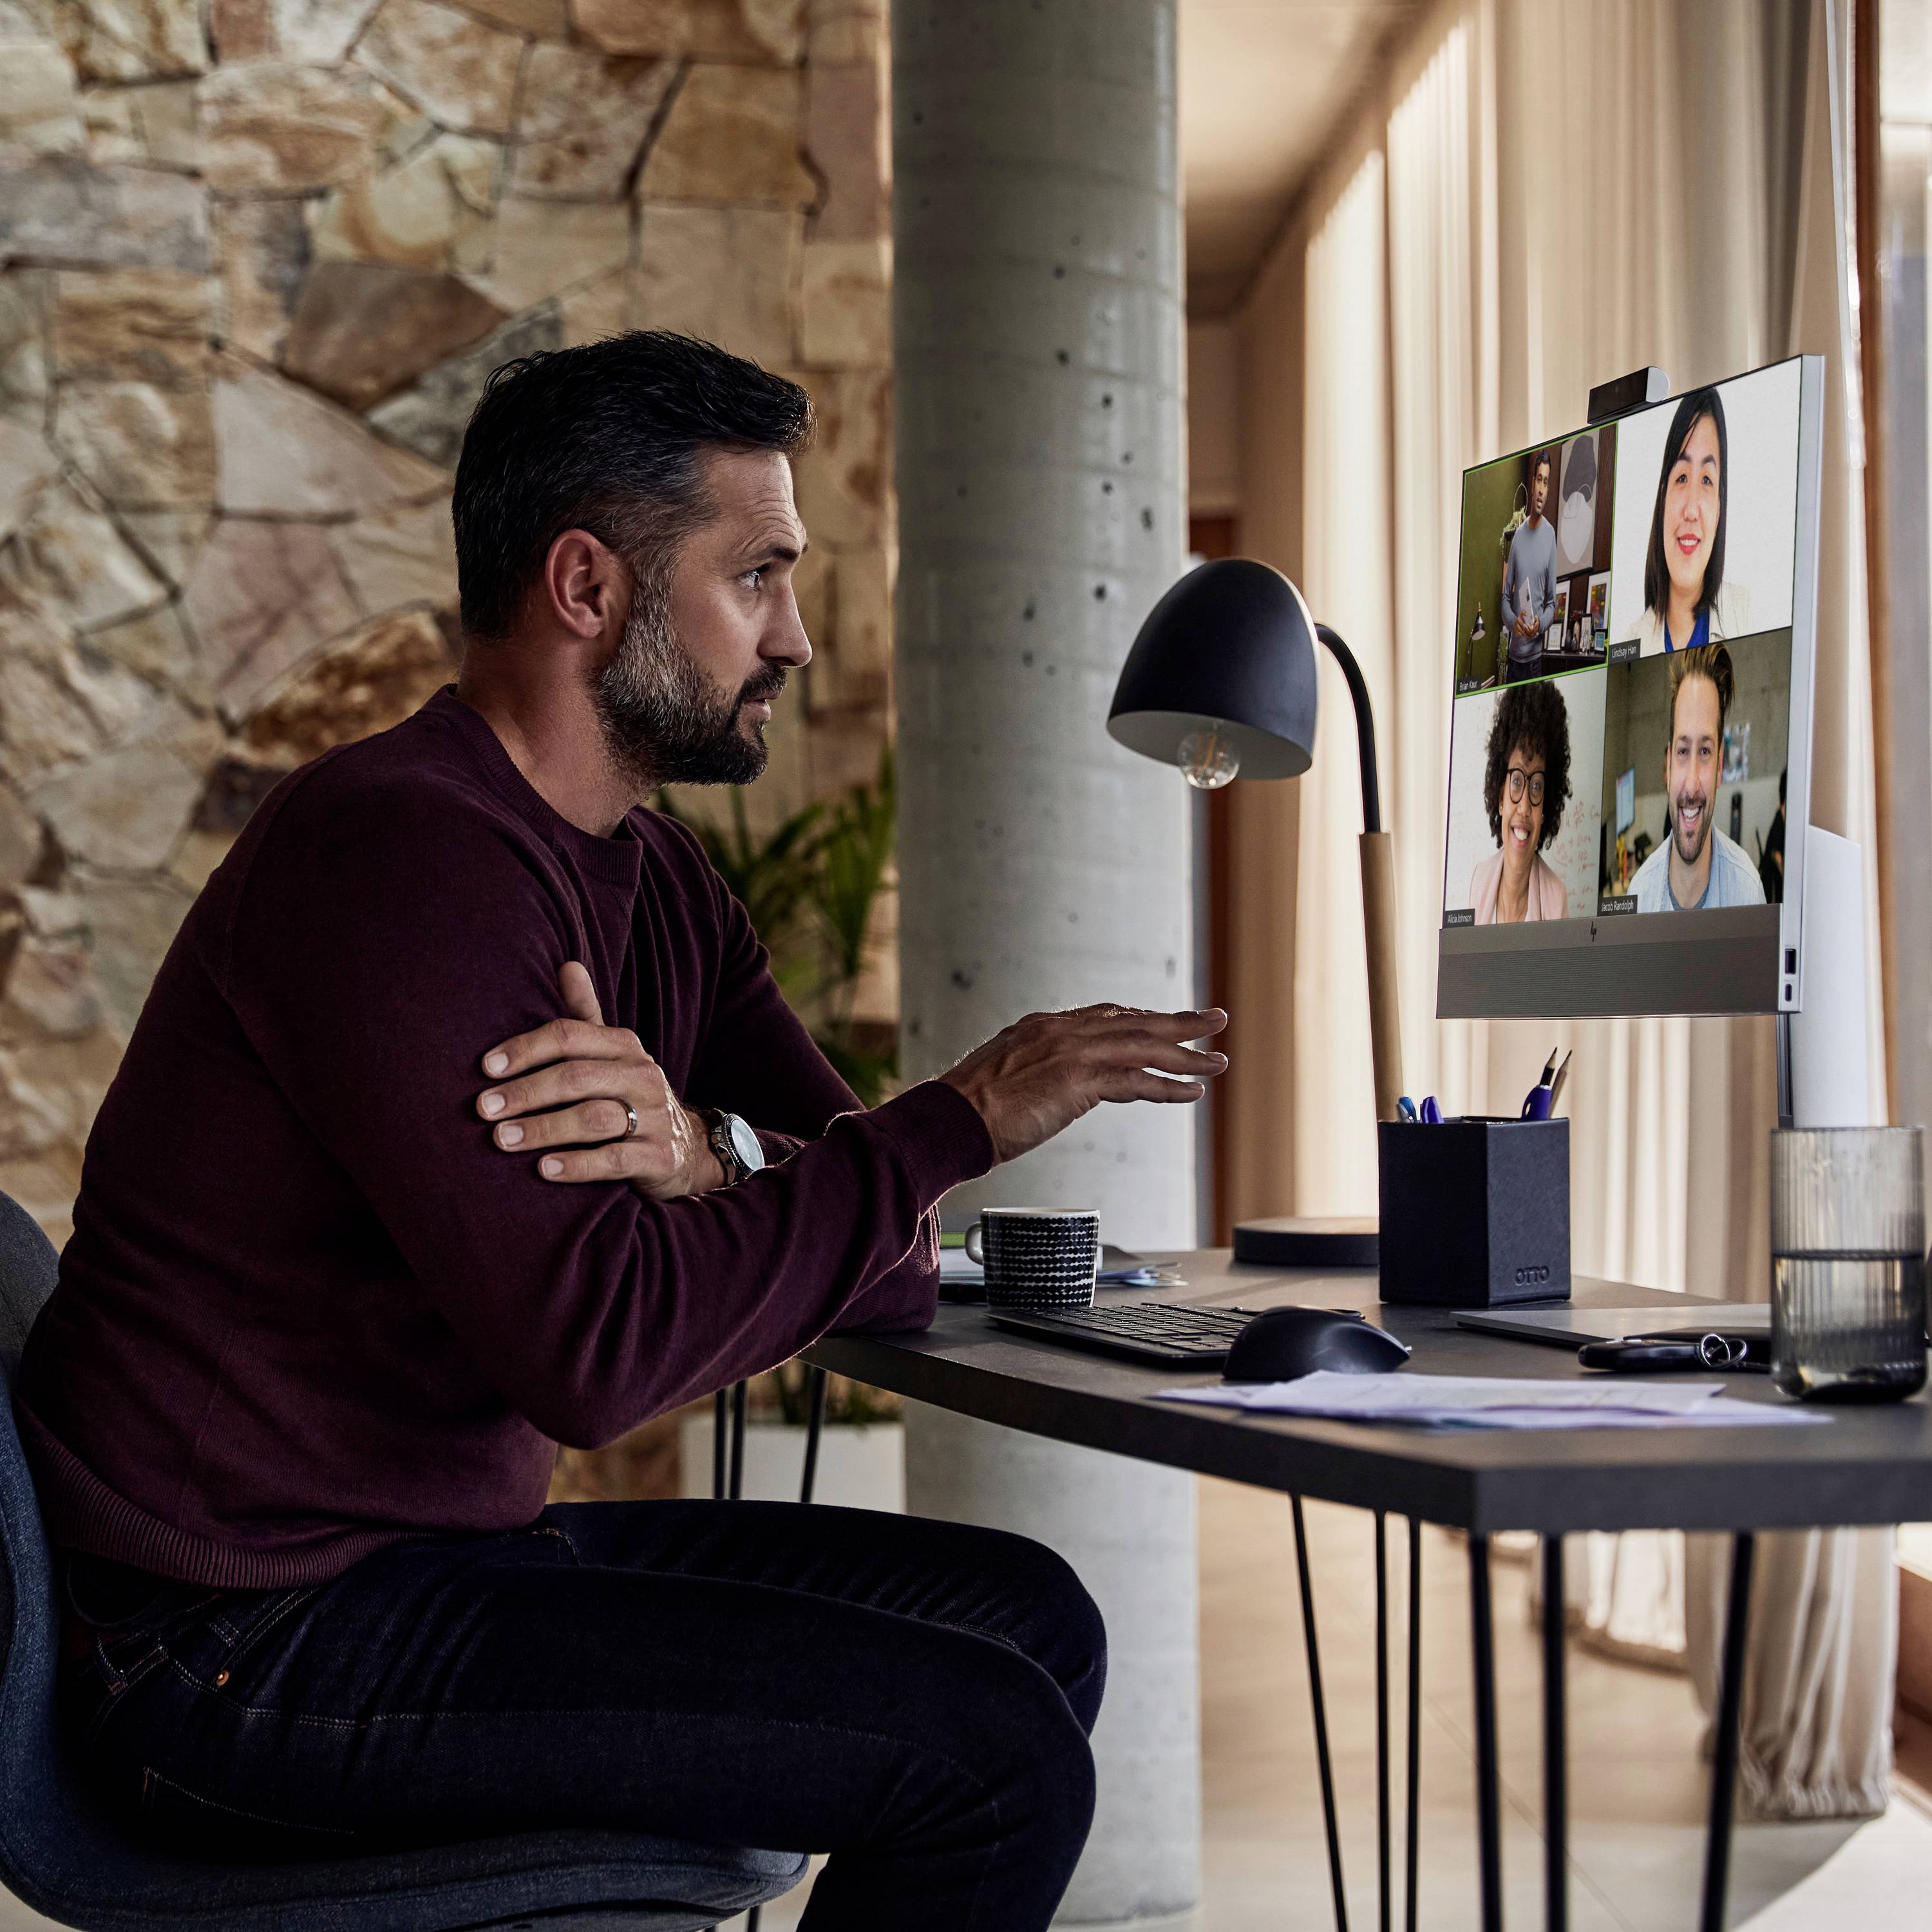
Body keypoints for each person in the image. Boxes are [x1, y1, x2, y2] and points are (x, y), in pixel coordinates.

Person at [12, 332, 1233, 1931]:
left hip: (429, 1563)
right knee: (991, 1750)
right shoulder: (400, 860)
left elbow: (885, 1265)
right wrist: (960, 1112)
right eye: (756, 578)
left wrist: (712, 1155)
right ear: (589, 589)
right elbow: (596, 1357)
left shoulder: (655, 885)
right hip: (238, 1642)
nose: (793, 635)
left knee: (1026, 1622)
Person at [1629, 643, 1766, 913]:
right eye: (1682, 751)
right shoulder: (1639, 895)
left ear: (1719, 767)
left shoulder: (1748, 892)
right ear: (1668, 765)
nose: (1691, 786)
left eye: (1705, 751)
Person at [1633, 387, 1752, 654]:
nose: (1691, 510)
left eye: (1707, 480)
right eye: (1682, 477)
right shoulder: (1631, 640)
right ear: (1662, 497)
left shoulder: (1744, 615)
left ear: (1719, 508)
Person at [1468, 679, 1571, 923]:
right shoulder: (1478, 881)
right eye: (1516, 781)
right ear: (1501, 797)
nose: (1524, 807)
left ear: (1546, 810)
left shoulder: (1556, 900)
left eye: (1536, 786)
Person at [1501, 448, 1557, 681]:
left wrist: (1539, 623)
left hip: (1535, 662)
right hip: (1513, 661)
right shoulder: (1518, 539)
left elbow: (1552, 604)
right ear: (1532, 483)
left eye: (1547, 482)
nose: (1542, 490)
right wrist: (1514, 623)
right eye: (1539, 481)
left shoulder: (1550, 536)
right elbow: (1505, 598)